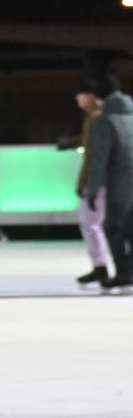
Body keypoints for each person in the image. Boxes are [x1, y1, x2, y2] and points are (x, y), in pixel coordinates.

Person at [80, 77, 133, 291]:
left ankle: (124, 273)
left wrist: (92, 190)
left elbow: (99, 158)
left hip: (120, 181)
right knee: (130, 227)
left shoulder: (106, 119)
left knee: (113, 226)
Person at [70, 75, 118, 287]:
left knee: (92, 223)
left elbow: (94, 156)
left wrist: (86, 185)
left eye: (79, 95)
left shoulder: (98, 118)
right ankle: (103, 266)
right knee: (96, 224)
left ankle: (103, 267)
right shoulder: (94, 117)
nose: (76, 100)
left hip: (101, 182)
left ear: (90, 96)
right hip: (105, 180)